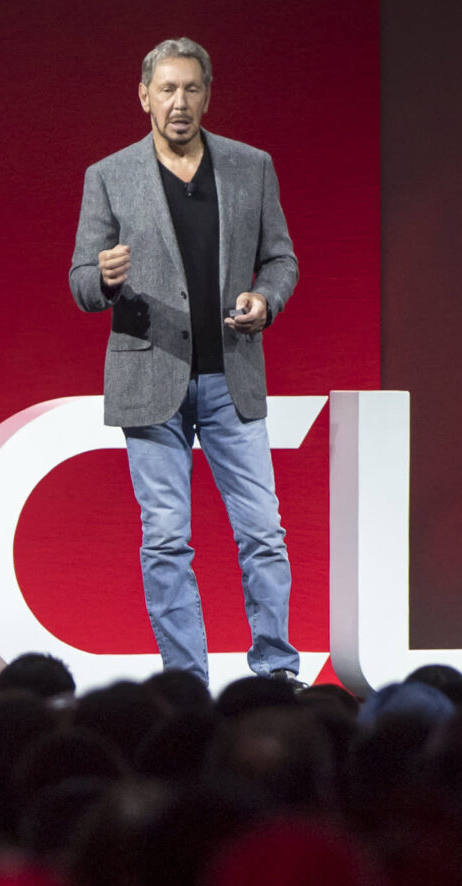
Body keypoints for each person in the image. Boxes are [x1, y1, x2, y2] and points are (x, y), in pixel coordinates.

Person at [70, 37, 302, 686]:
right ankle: (185, 684)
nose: (179, 102)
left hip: (231, 376)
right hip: (150, 379)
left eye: (191, 89)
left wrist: (265, 299)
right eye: (167, 89)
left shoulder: (251, 167)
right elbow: (81, 282)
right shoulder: (108, 175)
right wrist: (105, 279)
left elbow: (281, 258)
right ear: (144, 96)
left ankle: (276, 672)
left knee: (263, 532)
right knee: (167, 539)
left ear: (207, 95)